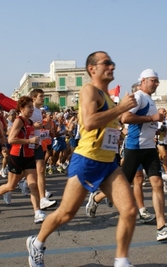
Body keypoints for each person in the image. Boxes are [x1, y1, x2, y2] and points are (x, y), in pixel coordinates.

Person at [26, 51, 138, 267]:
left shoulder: (107, 97)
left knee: (130, 210)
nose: (112, 66)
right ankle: (37, 243)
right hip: (87, 160)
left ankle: (121, 261)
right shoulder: (89, 90)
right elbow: (88, 122)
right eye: (106, 63)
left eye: (113, 63)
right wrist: (121, 108)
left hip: (108, 164)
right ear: (92, 69)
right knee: (66, 213)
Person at [119, 68, 167, 241]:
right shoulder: (139, 96)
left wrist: (157, 122)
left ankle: (161, 226)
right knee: (122, 184)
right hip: (135, 147)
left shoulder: (149, 99)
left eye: (157, 81)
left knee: (157, 183)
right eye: (153, 80)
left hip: (149, 147)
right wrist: (152, 118)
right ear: (143, 81)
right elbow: (125, 118)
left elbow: (149, 121)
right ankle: (96, 197)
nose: (156, 83)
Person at [0, 96, 46, 223]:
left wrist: (34, 143)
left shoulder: (30, 123)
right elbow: (11, 139)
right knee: (11, 187)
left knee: (33, 185)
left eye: (32, 107)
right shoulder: (19, 121)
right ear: (21, 108)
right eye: (29, 107)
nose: (31, 110)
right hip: (16, 157)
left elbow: (29, 138)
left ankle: (38, 212)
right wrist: (29, 141)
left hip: (29, 157)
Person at [29, 89, 56, 210]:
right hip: (27, 145)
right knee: (13, 181)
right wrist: (32, 126)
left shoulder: (40, 111)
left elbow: (39, 126)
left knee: (40, 170)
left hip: (37, 144)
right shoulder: (29, 110)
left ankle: (43, 199)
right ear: (34, 98)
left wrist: (45, 126)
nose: (43, 98)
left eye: (43, 96)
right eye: (41, 96)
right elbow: (20, 123)